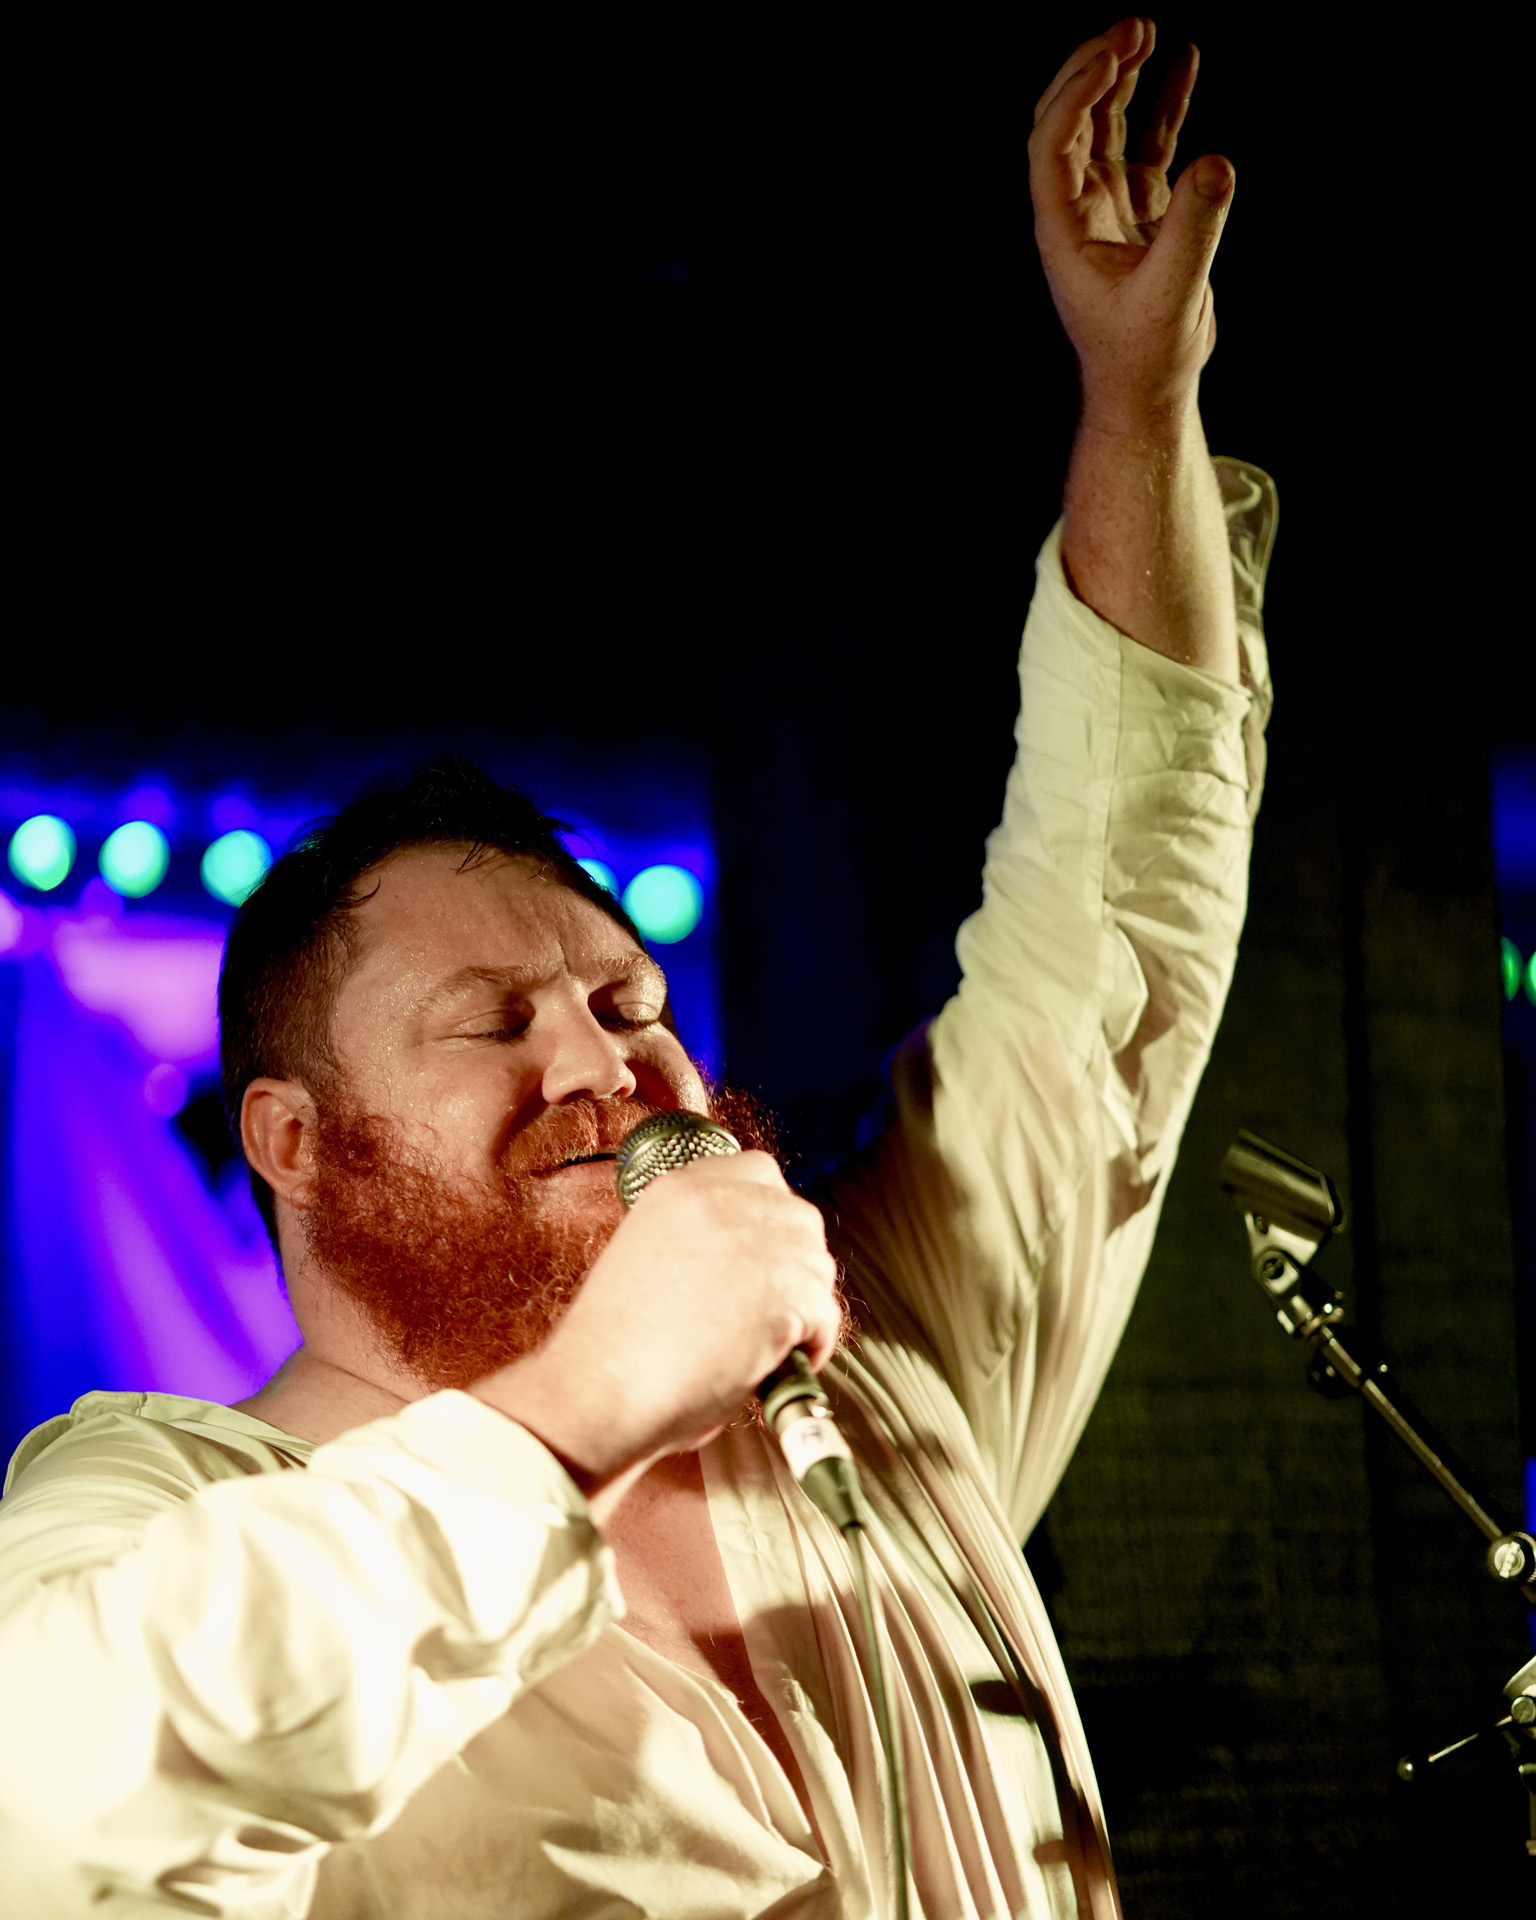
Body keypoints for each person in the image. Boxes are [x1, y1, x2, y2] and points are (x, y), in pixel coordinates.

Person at [0, 17, 1276, 1917]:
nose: (603, 1061)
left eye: (629, 1004)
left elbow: (1115, 934)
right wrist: (579, 1405)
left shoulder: (871, 1374)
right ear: (295, 1139)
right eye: (493, 1021)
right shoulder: (173, 1502)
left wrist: (1138, 399)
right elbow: (42, 1796)